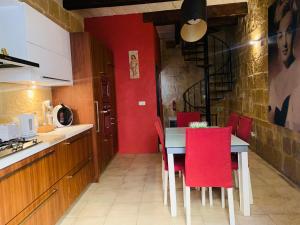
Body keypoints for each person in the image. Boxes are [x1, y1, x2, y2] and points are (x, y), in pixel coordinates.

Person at [269, 0, 300, 130]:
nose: (284, 43)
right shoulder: (275, 83)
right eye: (280, 36)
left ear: (294, 33)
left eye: (288, 32)